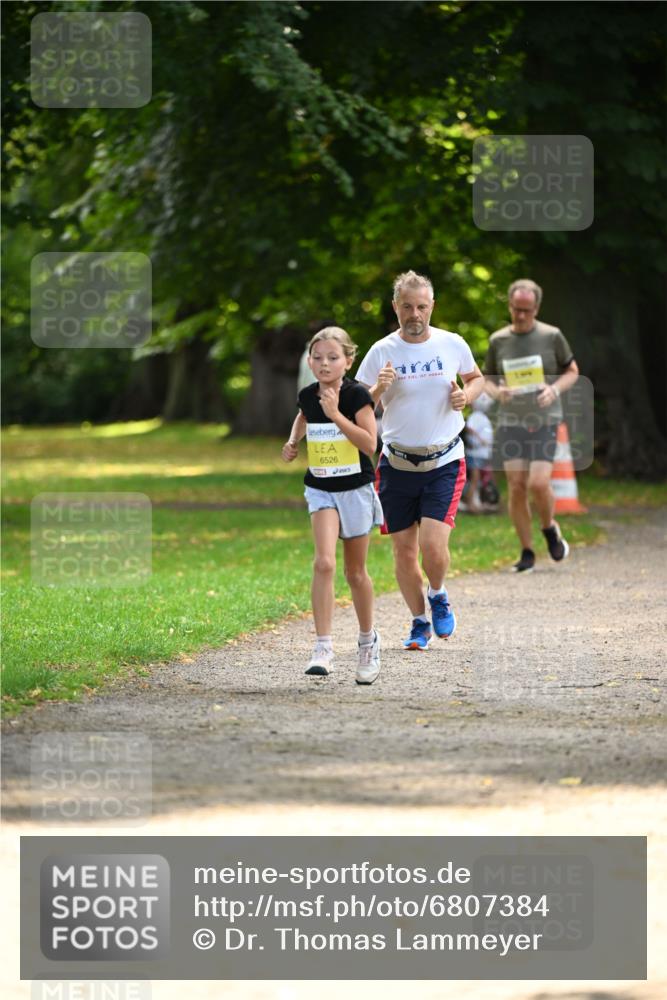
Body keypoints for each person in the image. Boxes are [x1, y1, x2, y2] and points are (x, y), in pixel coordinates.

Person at [356, 270, 484, 651]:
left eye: (422, 307)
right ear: (395, 307)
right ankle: (417, 623)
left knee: (431, 544)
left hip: (444, 460)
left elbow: (475, 378)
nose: (415, 314)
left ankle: (439, 593)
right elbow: (357, 406)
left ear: (432, 307)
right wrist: (379, 387)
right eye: (407, 307)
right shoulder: (381, 351)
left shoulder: (452, 343)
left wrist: (467, 395)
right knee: (404, 551)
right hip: (396, 464)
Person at [282, 326, 383, 683]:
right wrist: (294, 441)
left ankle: (368, 642)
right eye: (318, 358)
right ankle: (323, 646)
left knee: (355, 573)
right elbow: (304, 416)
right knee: (323, 562)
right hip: (320, 488)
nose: (324, 364)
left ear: (348, 361)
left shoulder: (358, 396)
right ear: (309, 360)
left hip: (354, 489)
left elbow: (370, 443)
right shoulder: (308, 395)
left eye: (332, 358)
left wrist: (337, 414)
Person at [483, 278, 580, 573]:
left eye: (527, 310)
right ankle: (526, 551)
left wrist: (554, 390)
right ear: (510, 306)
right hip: (511, 419)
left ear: (536, 308)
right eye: (516, 309)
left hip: (545, 418)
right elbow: (485, 379)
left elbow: (572, 371)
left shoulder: (552, 336)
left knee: (539, 483)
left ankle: (549, 527)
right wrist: (498, 393)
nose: (521, 315)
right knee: (516, 486)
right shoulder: (498, 340)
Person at [464, 392, 494, 513]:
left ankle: (473, 502)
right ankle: (470, 503)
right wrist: (481, 440)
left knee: (478, 480)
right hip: (475, 453)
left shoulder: (481, 416)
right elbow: (469, 427)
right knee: (475, 479)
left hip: (480, 454)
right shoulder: (475, 416)